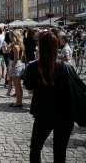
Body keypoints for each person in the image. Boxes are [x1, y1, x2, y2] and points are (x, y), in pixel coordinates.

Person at [23, 32, 75, 163]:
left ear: (40, 47)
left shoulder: (34, 67)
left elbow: (29, 89)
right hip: (65, 114)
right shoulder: (66, 68)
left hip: (43, 113)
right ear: (56, 47)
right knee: (60, 150)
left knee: (36, 147)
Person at [8, 30, 25, 108]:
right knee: (18, 86)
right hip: (18, 65)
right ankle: (19, 101)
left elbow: (16, 58)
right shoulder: (19, 45)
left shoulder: (16, 46)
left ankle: (18, 102)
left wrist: (11, 67)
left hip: (15, 66)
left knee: (17, 86)